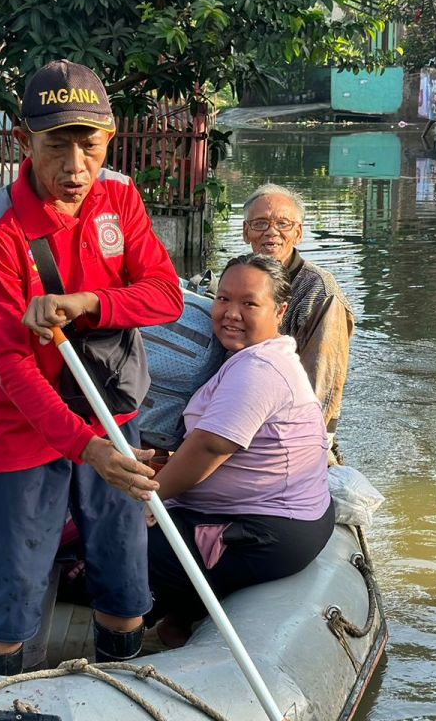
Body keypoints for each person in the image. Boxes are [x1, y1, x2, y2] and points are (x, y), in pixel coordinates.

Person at [0, 59, 184, 675]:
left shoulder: (120, 196)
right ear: (23, 140)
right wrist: (87, 449)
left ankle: (123, 691)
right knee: (13, 594)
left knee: (123, 580)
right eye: (55, 146)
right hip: (27, 426)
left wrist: (89, 304)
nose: (74, 167)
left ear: (109, 139)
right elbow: (8, 364)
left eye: (88, 146)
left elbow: (166, 294)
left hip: (113, 408)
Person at [146, 253, 335, 649]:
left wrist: (151, 496)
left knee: (117, 542)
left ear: (280, 311)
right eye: (223, 300)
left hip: (266, 531)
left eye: (249, 303)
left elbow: (210, 446)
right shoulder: (255, 357)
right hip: (267, 513)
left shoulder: (259, 369)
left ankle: (120, 645)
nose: (231, 313)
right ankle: (176, 625)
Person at [241, 184, 354, 452]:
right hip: (246, 410)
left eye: (283, 224)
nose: (271, 232)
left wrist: (311, 447)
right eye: (260, 224)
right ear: (246, 232)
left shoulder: (320, 292)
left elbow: (324, 385)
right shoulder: (241, 274)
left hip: (290, 432)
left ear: (298, 233)